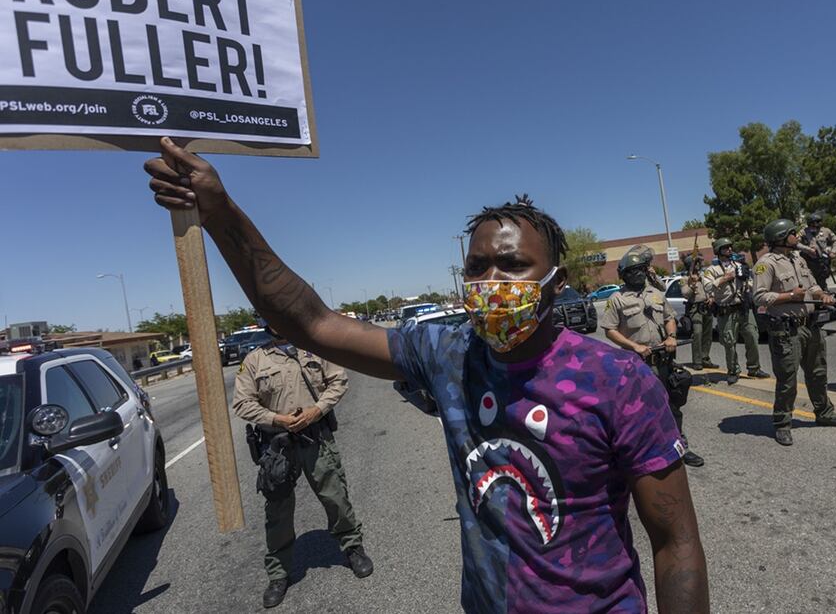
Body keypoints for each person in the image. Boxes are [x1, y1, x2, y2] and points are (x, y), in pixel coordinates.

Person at [143, 138, 709, 613]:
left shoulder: (616, 378)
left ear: (556, 282)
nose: (491, 280)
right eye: (476, 267)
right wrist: (220, 214)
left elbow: (676, 541)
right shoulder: (448, 352)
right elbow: (310, 322)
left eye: (512, 266)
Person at [233, 323, 372, 608]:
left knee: (335, 496)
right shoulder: (254, 360)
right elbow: (242, 403)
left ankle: (353, 548)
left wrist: (316, 410)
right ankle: (278, 574)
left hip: (316, 437)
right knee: (278, 511)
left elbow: (339, 381)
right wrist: (277, 419)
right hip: (278, 445)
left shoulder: (315, 350)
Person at [753, 218, 836, 446]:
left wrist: (822, 295)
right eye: (792, 233)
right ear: (780, 238)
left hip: (811, 325)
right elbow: (759, 297)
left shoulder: (798, 259)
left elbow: (812, 285)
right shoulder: (766, 264)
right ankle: (782, 423)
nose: (797, 236)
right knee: (788, 380)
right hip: (787, 331)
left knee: (818, 373)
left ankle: (825, 413)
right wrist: (790, 296)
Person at [603, 248, 706, 468]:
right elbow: (610, 330)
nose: (638, 274)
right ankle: (647, 451)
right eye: (632, 271)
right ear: (624, 274)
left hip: (663, 361)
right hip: (636, 366)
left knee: (672, 405)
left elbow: (669, 318)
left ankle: (680, 446)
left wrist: (671, 336)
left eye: (641, 269)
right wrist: (635, 346)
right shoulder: (617, 299)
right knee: (641, 412)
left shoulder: (657, 294)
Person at [702, 238, 768, 385]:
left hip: (743, 307)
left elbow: (750, 283)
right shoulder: (711, 270)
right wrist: (725, 278)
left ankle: (754, 368)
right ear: (718, 251)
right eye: (725, 248)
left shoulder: (739, 265)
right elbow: (707, 287)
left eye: (730, 247)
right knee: (729, 342)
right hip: (726, 310)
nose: (730, 250)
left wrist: (748, 282)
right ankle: (733, 370)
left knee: (752, 335)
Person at [680, 252, 715, 370]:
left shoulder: (703, 276)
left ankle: (705, 358)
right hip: (695, 309)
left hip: (706, 307)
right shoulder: (685, 279)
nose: (700, 265)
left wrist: (711, 297)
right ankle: (697, 361)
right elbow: (685, 294)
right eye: (697, 263)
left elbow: (710, 288)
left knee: (708, 334)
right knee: (698, 334)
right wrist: (692, 285)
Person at [797, 212, 836, 290]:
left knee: (822, 281)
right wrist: (808, 249)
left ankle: (823, 293)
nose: (816, 225)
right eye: (814, 223)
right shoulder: (803, 232)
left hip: (822, 261)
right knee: (810, 280)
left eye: (818, 222)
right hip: (809, 261)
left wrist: (833, 251)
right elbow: (796, 243)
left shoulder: (826, 231)